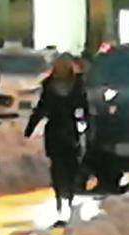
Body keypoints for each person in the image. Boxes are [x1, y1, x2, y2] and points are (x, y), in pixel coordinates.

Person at [23, 56, 89, 223]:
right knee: (69, 165)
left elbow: (42, 108)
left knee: (60, 168)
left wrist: (31, 127)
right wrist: (86, 121)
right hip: (69, 130)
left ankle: (63, 200)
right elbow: (83, 106)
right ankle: (67, 199)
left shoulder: (50, 86)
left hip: (56, 130)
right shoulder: (77, 85)